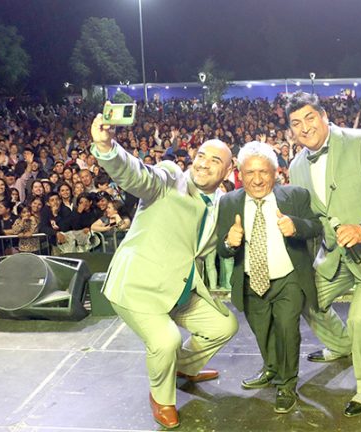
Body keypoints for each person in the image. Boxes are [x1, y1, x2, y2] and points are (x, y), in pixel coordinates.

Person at [89, 108, 238, 429]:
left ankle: (183, 367)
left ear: (227, 171)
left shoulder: (222, 201)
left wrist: (233, 242)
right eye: (201, 155)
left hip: (180, 289)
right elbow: (136, 174)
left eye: (215, 160)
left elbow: (211, 246)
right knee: (166, 340)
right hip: (138, 287)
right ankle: (161, 396)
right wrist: (107, 149)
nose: (203, 163)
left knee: (224, 326)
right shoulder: (170, 177)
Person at [286, 92, 361, 417]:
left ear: (325, 116)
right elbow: (313, 219)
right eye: (296, 123)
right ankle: (340, 347)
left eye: (310, 117)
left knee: (360, 319)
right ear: (291, 131)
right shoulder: (296, 165)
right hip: (334, 254)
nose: (305, 127)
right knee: (305, 298)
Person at [216, 141, 321, 414]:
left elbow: (315, 227)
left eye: (264, 172)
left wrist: (295, 226)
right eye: (249, 173)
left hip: (289, 279)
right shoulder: (228, 202)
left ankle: (287, 384)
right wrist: (230, 242)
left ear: (276, 173)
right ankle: (271, 369)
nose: (257, 179)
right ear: (240, 174)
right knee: (263, 333)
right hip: (252, 282)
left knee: (287, 331)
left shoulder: (296, 196)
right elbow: (221, 249)